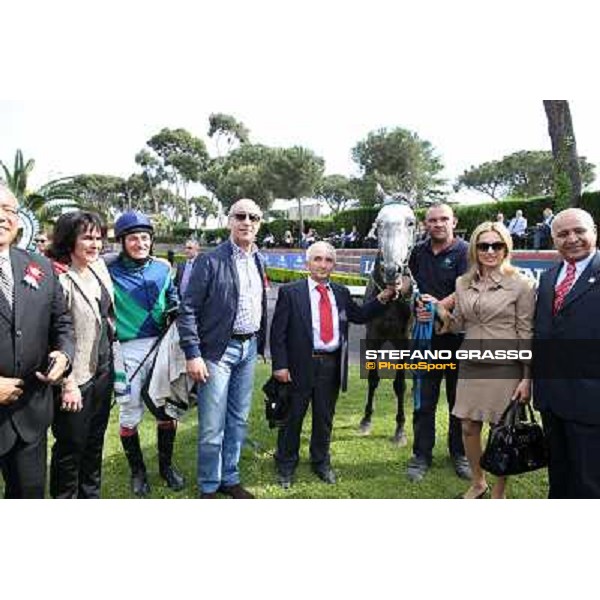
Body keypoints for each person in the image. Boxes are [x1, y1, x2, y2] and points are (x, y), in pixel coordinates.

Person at [270, 241, 400, 488]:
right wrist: (280, 366)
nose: (323, 264)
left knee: (324, 417)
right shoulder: (290, 292)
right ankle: (286, 464)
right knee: (293, 417)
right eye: (318, 259)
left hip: (330, 366)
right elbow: (278, 334)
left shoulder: (340, 292)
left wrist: (383, 297)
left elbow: (359, 316)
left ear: (334, 264)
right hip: (299, 366)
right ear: (308, 263)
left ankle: (321, 462)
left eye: (328, 260)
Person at [435, 221, 535, 498]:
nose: (490, 251)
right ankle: (478, 483)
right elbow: (458, 324)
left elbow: (526, 331)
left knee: (501, 431)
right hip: (470, 362)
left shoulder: (522, 284)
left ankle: (498, 492)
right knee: (467, 425)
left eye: (497, 245)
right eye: (483, 245)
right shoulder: (463, 283)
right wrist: (441, 315)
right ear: (475, 250)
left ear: (506, 248)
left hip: (506, 364)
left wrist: (527, 377)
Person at [178, 198, 268, 499]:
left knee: (238, 419)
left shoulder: (258, 259)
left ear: (259, 223)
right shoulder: (210, 260)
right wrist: (193, 353)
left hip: (248, 348)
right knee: (212, 424)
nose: (247, 222)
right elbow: (187, 308)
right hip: (217, 352)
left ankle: (229, 478)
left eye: (253, 217)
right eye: (240, 216)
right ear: (229, 221)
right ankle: (208, 485)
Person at [0, 183, 74, 498]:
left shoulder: (39, 266)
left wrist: (63, 355)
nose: (2, 217)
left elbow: (62, 322)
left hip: (30, 413)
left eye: (8, 210)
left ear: (18, 221)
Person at [108, 211, 184, 496]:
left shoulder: (163, 269)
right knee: (129, 413)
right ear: (122, 241)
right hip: (127, 350)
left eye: (144, 238)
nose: (140, 243)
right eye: (133, 238)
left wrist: (174, 306)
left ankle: (166, 467)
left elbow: (172, 295)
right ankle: (138, 472)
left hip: (163, 346)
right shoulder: (108, 271)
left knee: (167, 407)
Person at [47, 211, 115, 499]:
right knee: (71, 447)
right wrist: (68, 383)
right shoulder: (59, 278)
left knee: (94, 444)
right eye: (87, 237)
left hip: (103, 371)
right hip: (75, 378)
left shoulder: (99, 268)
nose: (95, 244)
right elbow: (56, 336)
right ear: (68, 240)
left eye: (98, 237)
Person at [533, 208, 600, 498]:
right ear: (553, 239)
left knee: (588, 483)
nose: (572, 238)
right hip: (551, 399)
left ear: (594, 232)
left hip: (591, 402)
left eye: (579, 231)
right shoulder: (548, 278)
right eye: (562, 234)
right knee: (559, 476)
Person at [407, 203, 471, 482]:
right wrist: (416, 305)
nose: (438, 224)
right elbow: (407, 285)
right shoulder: (416, 252)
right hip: (425, 339)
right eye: (432, 220)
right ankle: (421, 455)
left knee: (459, 401)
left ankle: (460, 454)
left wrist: (436, 306)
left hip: (458, 338)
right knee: (424, 399)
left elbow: (467, 287)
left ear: (454, 221)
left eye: (444, 219)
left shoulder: (467, 251)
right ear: (425, 224)